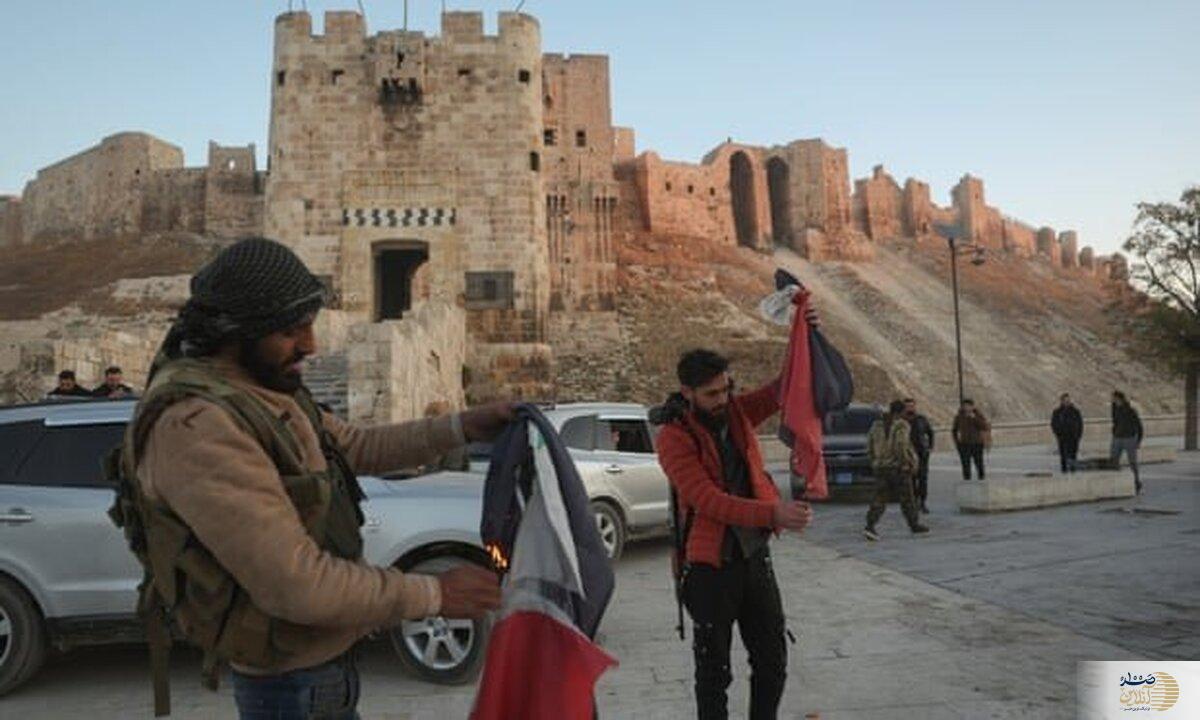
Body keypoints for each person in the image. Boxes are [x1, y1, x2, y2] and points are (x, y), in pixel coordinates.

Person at [115, 238, 506, 719]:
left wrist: (463, 426)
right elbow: (294, 584)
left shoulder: (263, 390)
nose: (311, 345)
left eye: (310, 326)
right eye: (291, 331)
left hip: (321, 674)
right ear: (237, 332)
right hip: (289, 689)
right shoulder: (198, 427)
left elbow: (356, 447)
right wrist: (435, 594)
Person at [656, 348, 815, 720]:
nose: (722, 400)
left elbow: (783, 389)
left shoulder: (737, 411)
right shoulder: (672, 438)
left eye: (726, 389)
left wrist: (805, 330)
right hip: (710, 568)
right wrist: (773, 511)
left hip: (755, 557)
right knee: (714, 673)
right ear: (687, 392)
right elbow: (709, 500)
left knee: (772, 661)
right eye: (711, 394)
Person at [864, 400, 929, 541]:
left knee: (879, 498)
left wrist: (875, 461)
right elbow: (901, 445)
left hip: (880, 467)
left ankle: (870, 525)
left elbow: (869, 446)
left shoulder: (876, 425)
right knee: (907, 498)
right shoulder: (901, 425)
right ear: (901, 412)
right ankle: (914, 524)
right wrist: (906, 463)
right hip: (897, 468)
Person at [903, 398, 935, 513]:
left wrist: (930, 447)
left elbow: (930, 433)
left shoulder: (921, 419)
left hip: (922, 453)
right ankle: (912, 502)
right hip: (907, 454)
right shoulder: (901, 421)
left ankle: (922, 502)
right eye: (907, 406)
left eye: (912, 406)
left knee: (922, 479)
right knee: (910, 480)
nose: (910, 408)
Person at [1110, 390, 1144, 494]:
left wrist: (1138, 440)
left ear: (1118, 398)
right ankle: (1115, 483)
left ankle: (1136, 482)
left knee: (1132, 462)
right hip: (1117, 437)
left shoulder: (1130, 410)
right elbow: (1115, 421)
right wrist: (1114, 432)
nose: (1112, 399)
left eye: (1113, 398)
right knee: (1113, 460)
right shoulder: (1114, 408)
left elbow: (1139, 425)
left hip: (1129, 438)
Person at [952, 399, 990, 480]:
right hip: (964, 444)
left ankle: (981, 479)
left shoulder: (978, 415)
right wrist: (957, 442)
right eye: (965, 406)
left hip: (977, 444)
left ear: (972, 406)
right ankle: (967, 481)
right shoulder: (959, 416)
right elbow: (954, 429)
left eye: (969, 406)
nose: (967, 408)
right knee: (965, 465)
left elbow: (984, 426)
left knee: (979, 463)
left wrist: (974, 418)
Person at [1050, 393, 1084, 473]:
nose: (1067, 402)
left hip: (1073, 438)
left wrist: (1078, 435)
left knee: (1073, 456)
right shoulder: (1057, 412)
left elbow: (1080, 424)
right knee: (1064, 457)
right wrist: (1058, 433)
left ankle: (1073, 472)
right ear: (1061, 401)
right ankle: (1064, 473)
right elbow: (1054, 424)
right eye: (1065, 400)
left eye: (1068, 400)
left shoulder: (1075, 412)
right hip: (1063, 438)